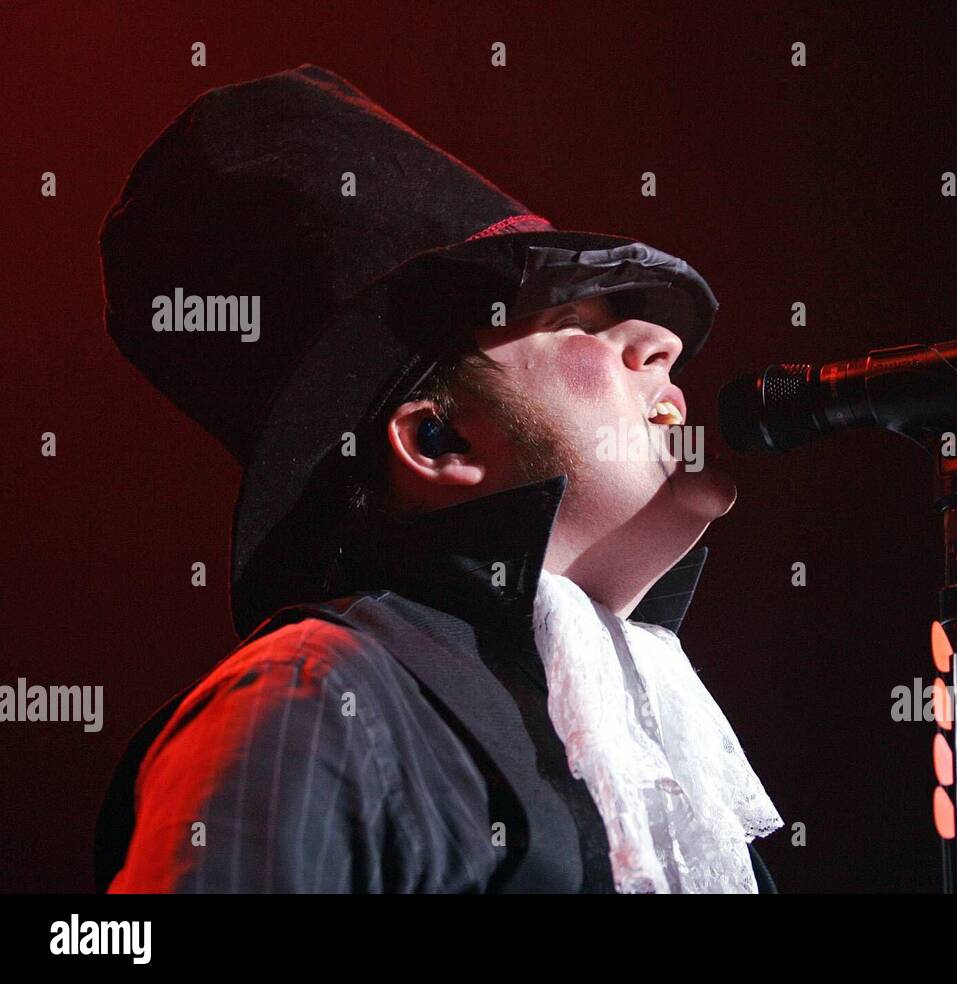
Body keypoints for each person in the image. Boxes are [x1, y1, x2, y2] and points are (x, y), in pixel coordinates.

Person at [93, 64, 782, 894]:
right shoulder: (317, 694)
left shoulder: (658, 745)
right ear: (440, 440)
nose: (660, 341)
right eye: (572, 321)